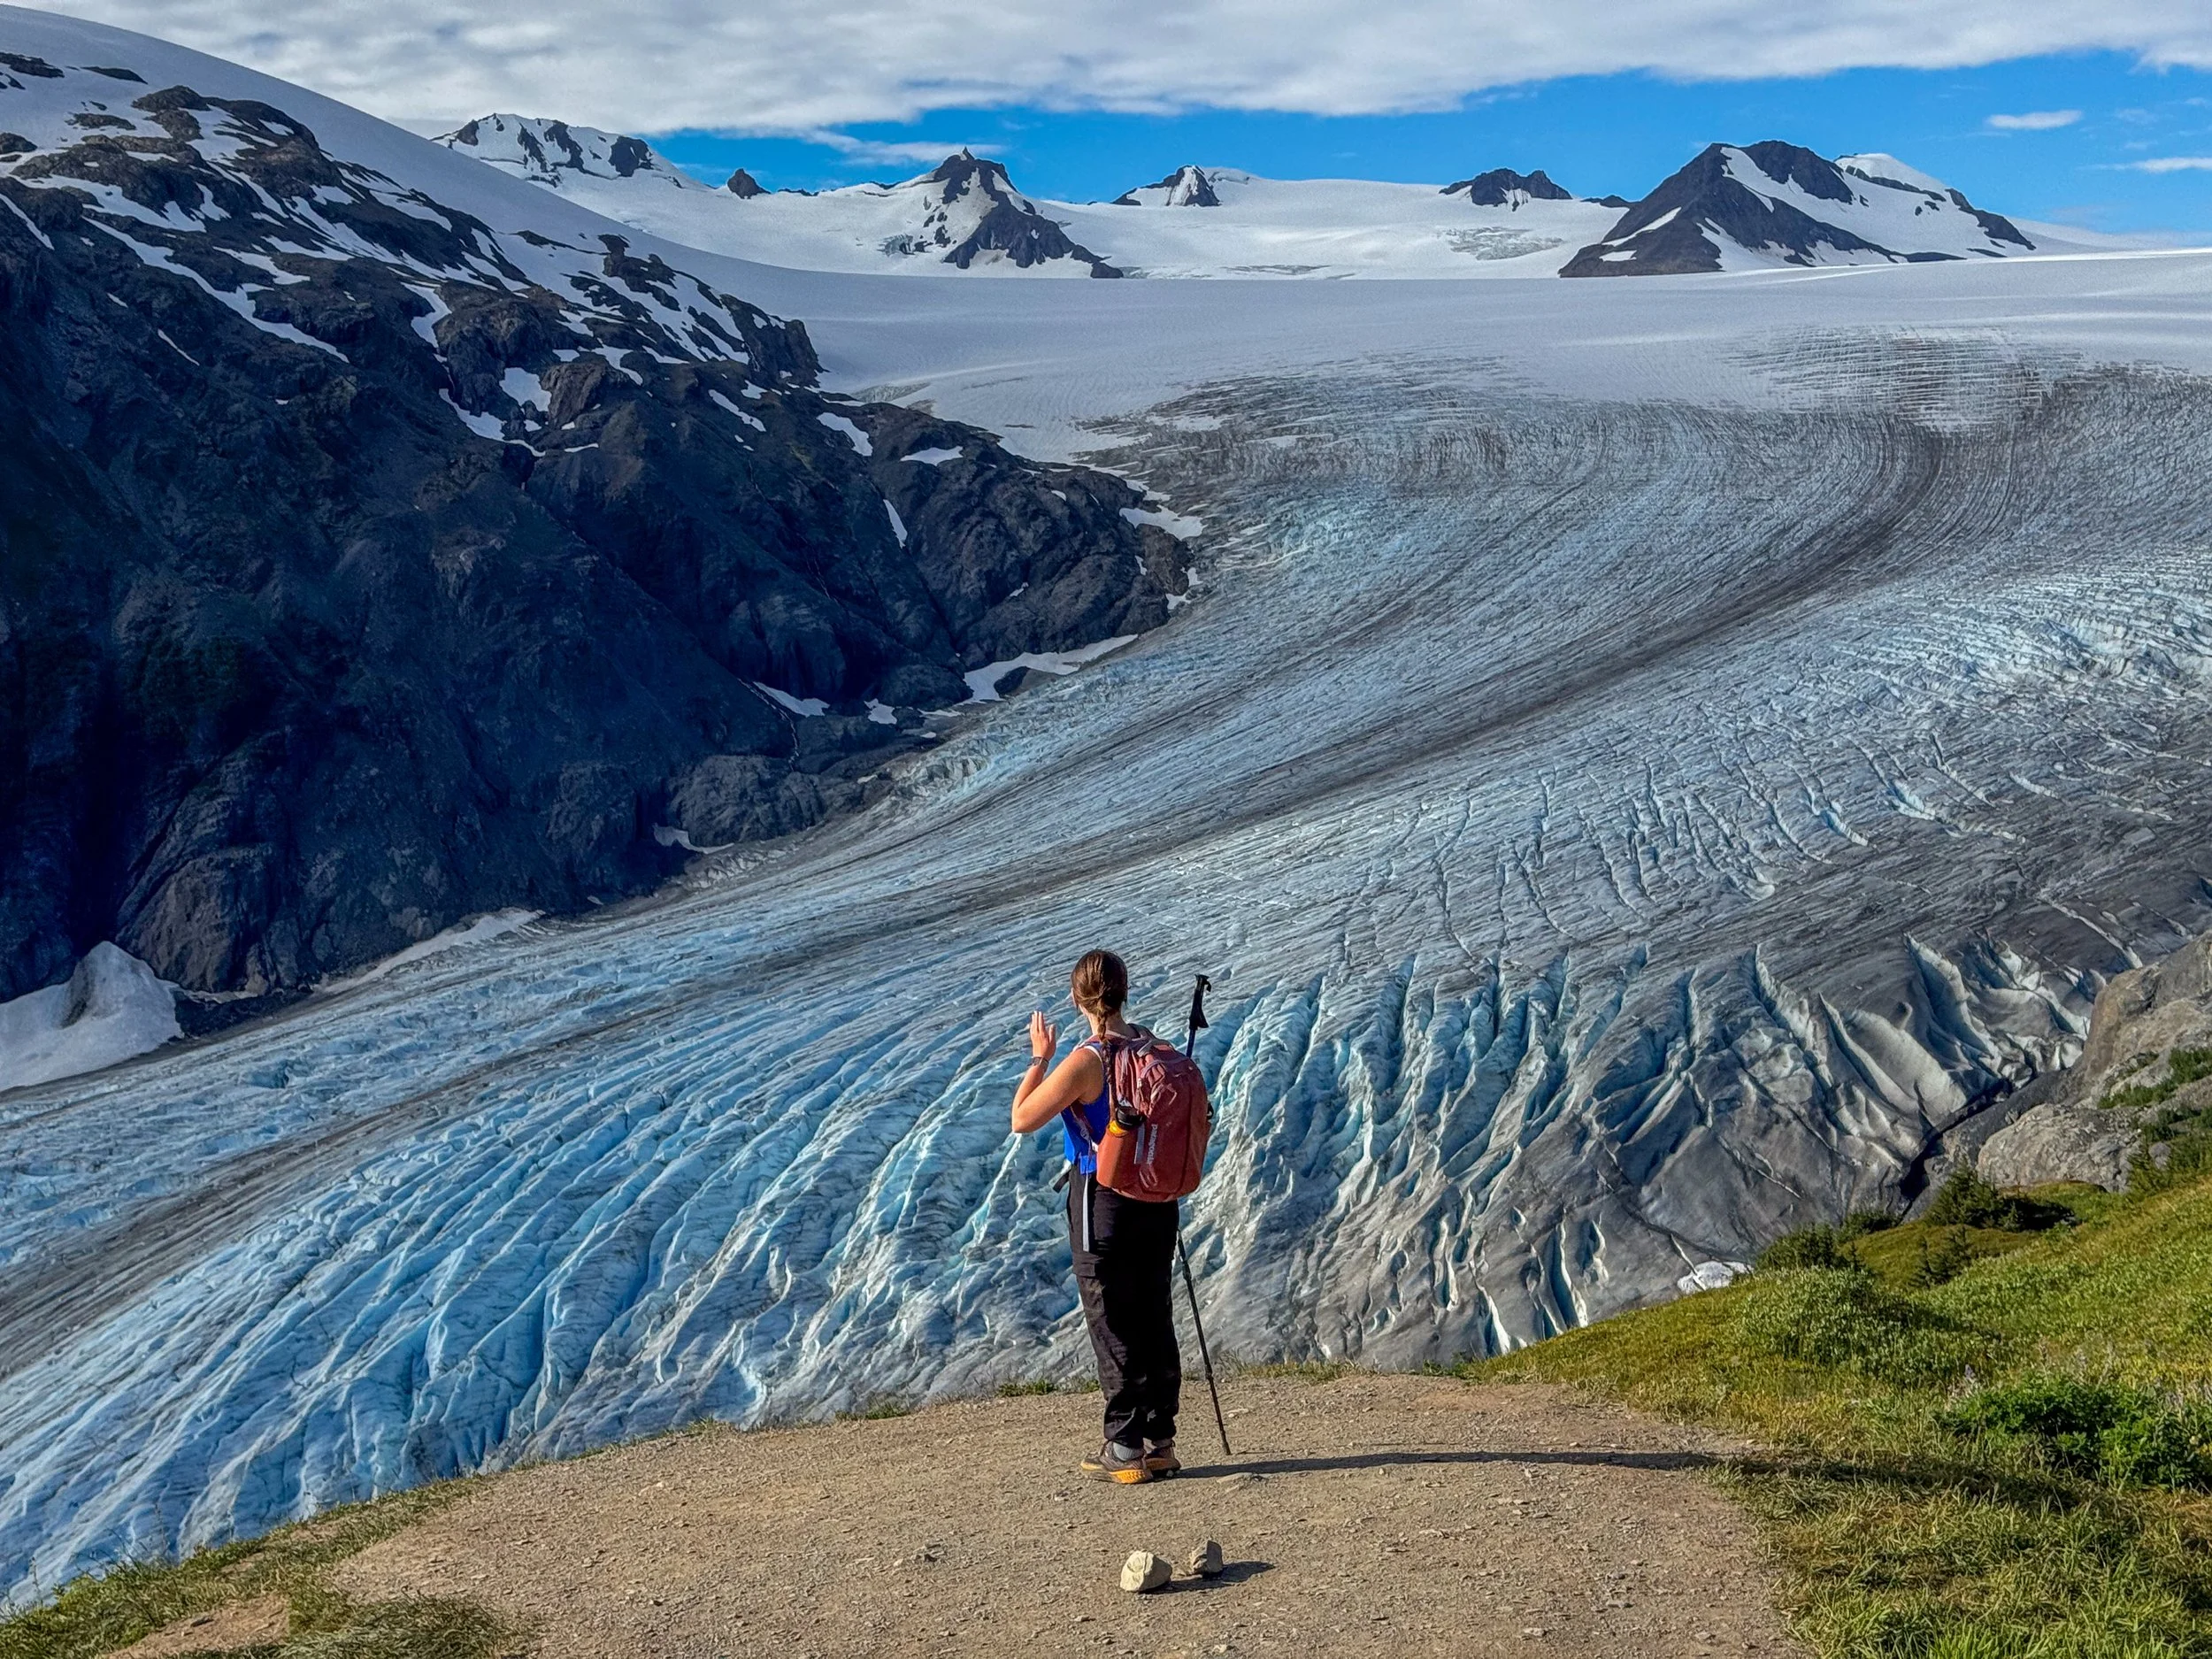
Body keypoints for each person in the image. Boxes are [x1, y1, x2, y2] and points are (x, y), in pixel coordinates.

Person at [1009, 949, 1183, 1483]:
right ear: (1125, 990)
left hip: (1101, 1197)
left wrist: (1040, 1057)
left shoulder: (1088, 1060)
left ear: (1076, 998)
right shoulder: (1155, 1047)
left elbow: (1022, 1118)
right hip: (1156, 1194)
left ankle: (1124, 1448)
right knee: (1153, 1311)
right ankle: (1160, 1442)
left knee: (1111, 1317)